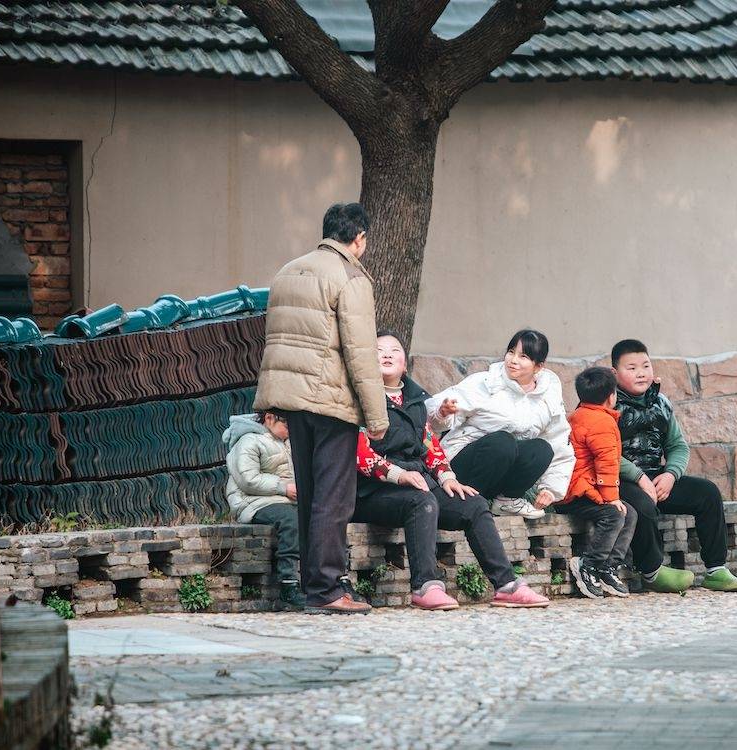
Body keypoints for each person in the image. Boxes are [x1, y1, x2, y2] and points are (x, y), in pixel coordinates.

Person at [253, 202, 389, 615]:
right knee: (334, 497)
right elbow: (361, 352)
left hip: (291, 397)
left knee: (311, 492)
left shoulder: (287, 271)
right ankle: (328, 588)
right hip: (330, 398)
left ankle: (315, 587)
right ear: (359, 238)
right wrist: (377, 418)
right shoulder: (350, 278)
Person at [352, 332, 550, 609]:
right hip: (374, 491)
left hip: (419, 483)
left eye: (394, 350)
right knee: (422, 501)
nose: (386, 354)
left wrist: (447, 477)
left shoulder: (414, 400)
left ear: (405, 364)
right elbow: (357, 450)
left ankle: (506, 585)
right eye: (379, 349)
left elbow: (429, 444)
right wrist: (398, 474)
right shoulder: (358, 399)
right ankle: (425, 586)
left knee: (474, 504)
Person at [612, 339, 737, 593]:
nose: (641, 373)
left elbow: (677, 446)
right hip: (617, 481)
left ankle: (716, 569)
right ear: (614, 373)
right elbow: (604, 452)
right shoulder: (607, 404)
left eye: (645, 365)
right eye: (631, 368)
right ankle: (652, 571)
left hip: (655, 477)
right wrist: (639, 477)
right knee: (642, 503)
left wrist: (671, 475)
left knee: (707, 493)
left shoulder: (660, 403)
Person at [425, 329, 573, 520]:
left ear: (538, 367)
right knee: (503, 441)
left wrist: (552, 489)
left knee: (542, 448)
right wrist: (442, 412)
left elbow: (560, 443)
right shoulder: (485, 383)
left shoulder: (547, 398)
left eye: (524, 356)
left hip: (500, 473)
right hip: (462, 467)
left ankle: (507, 501)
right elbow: (430, 419)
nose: (513, 360)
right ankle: (467, 502)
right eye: (511, 352)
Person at [556, 367, 636, 599]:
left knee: (629, 513)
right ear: (612, 396)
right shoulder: (601, 422)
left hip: (578, 488)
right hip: (577, 491)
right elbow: (607, 463)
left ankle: (607, 568)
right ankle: (589, 565)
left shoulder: (577, 415)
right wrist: (611, 498)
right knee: (616, 514)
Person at [222, 412, 304, 608]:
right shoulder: (248, 441)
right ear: (269, 418)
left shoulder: (286, 441)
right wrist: (284, 487)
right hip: (253, 502)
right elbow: (248, 479)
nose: (291, 431)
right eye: (287, 425)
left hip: (283, 500)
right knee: (291, 520)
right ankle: (288, 585)